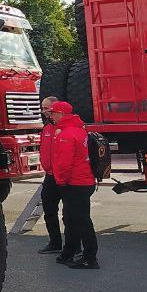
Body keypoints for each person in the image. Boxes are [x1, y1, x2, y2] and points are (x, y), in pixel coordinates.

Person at [49, 100, 99, 270]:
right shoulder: (79, 130)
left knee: (79, 220)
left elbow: (64, 163)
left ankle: (90, 257)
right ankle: (69, 253)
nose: (51, 116)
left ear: (62, 114)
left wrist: (60, 181)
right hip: (84, 181)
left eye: (53, 112)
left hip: (74, 183)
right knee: (74, 219)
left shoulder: (66, 135)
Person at [36, 96, 63, 254]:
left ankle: (75, 245)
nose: (43, 111)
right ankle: (55, 242)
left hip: (63, 175)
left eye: (46, 108)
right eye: (43, 108)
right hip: (50, 175)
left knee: (70, 214)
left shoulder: (63, 127)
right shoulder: (47, 127)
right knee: (49, 209)